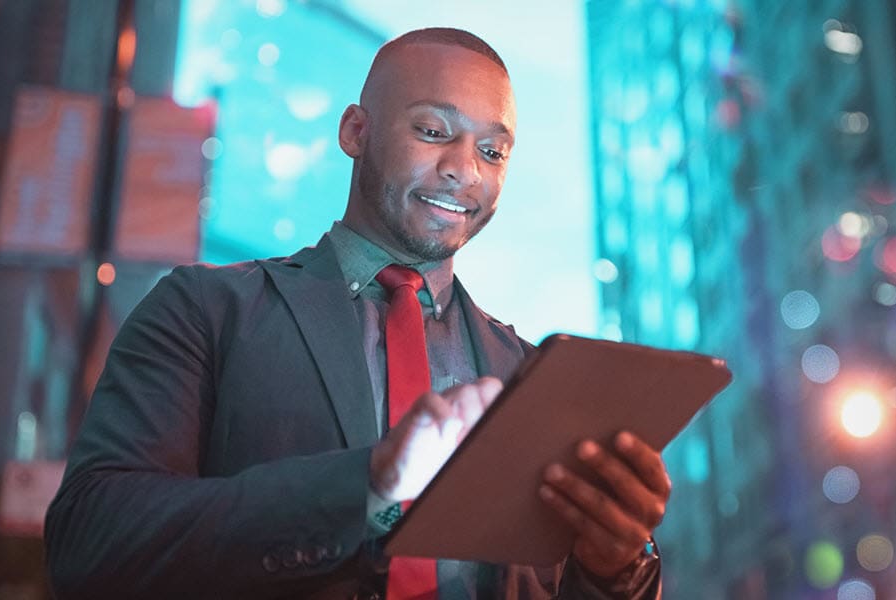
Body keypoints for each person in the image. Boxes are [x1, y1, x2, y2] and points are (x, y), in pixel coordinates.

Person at [45, 27, 670, 599]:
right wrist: (366, 486)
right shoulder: (205, 309)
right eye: (433, 132)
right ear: (355, 132)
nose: (464, 171)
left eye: (493, 151)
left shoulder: (531, 376)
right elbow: (89, 540)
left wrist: (617, 570)